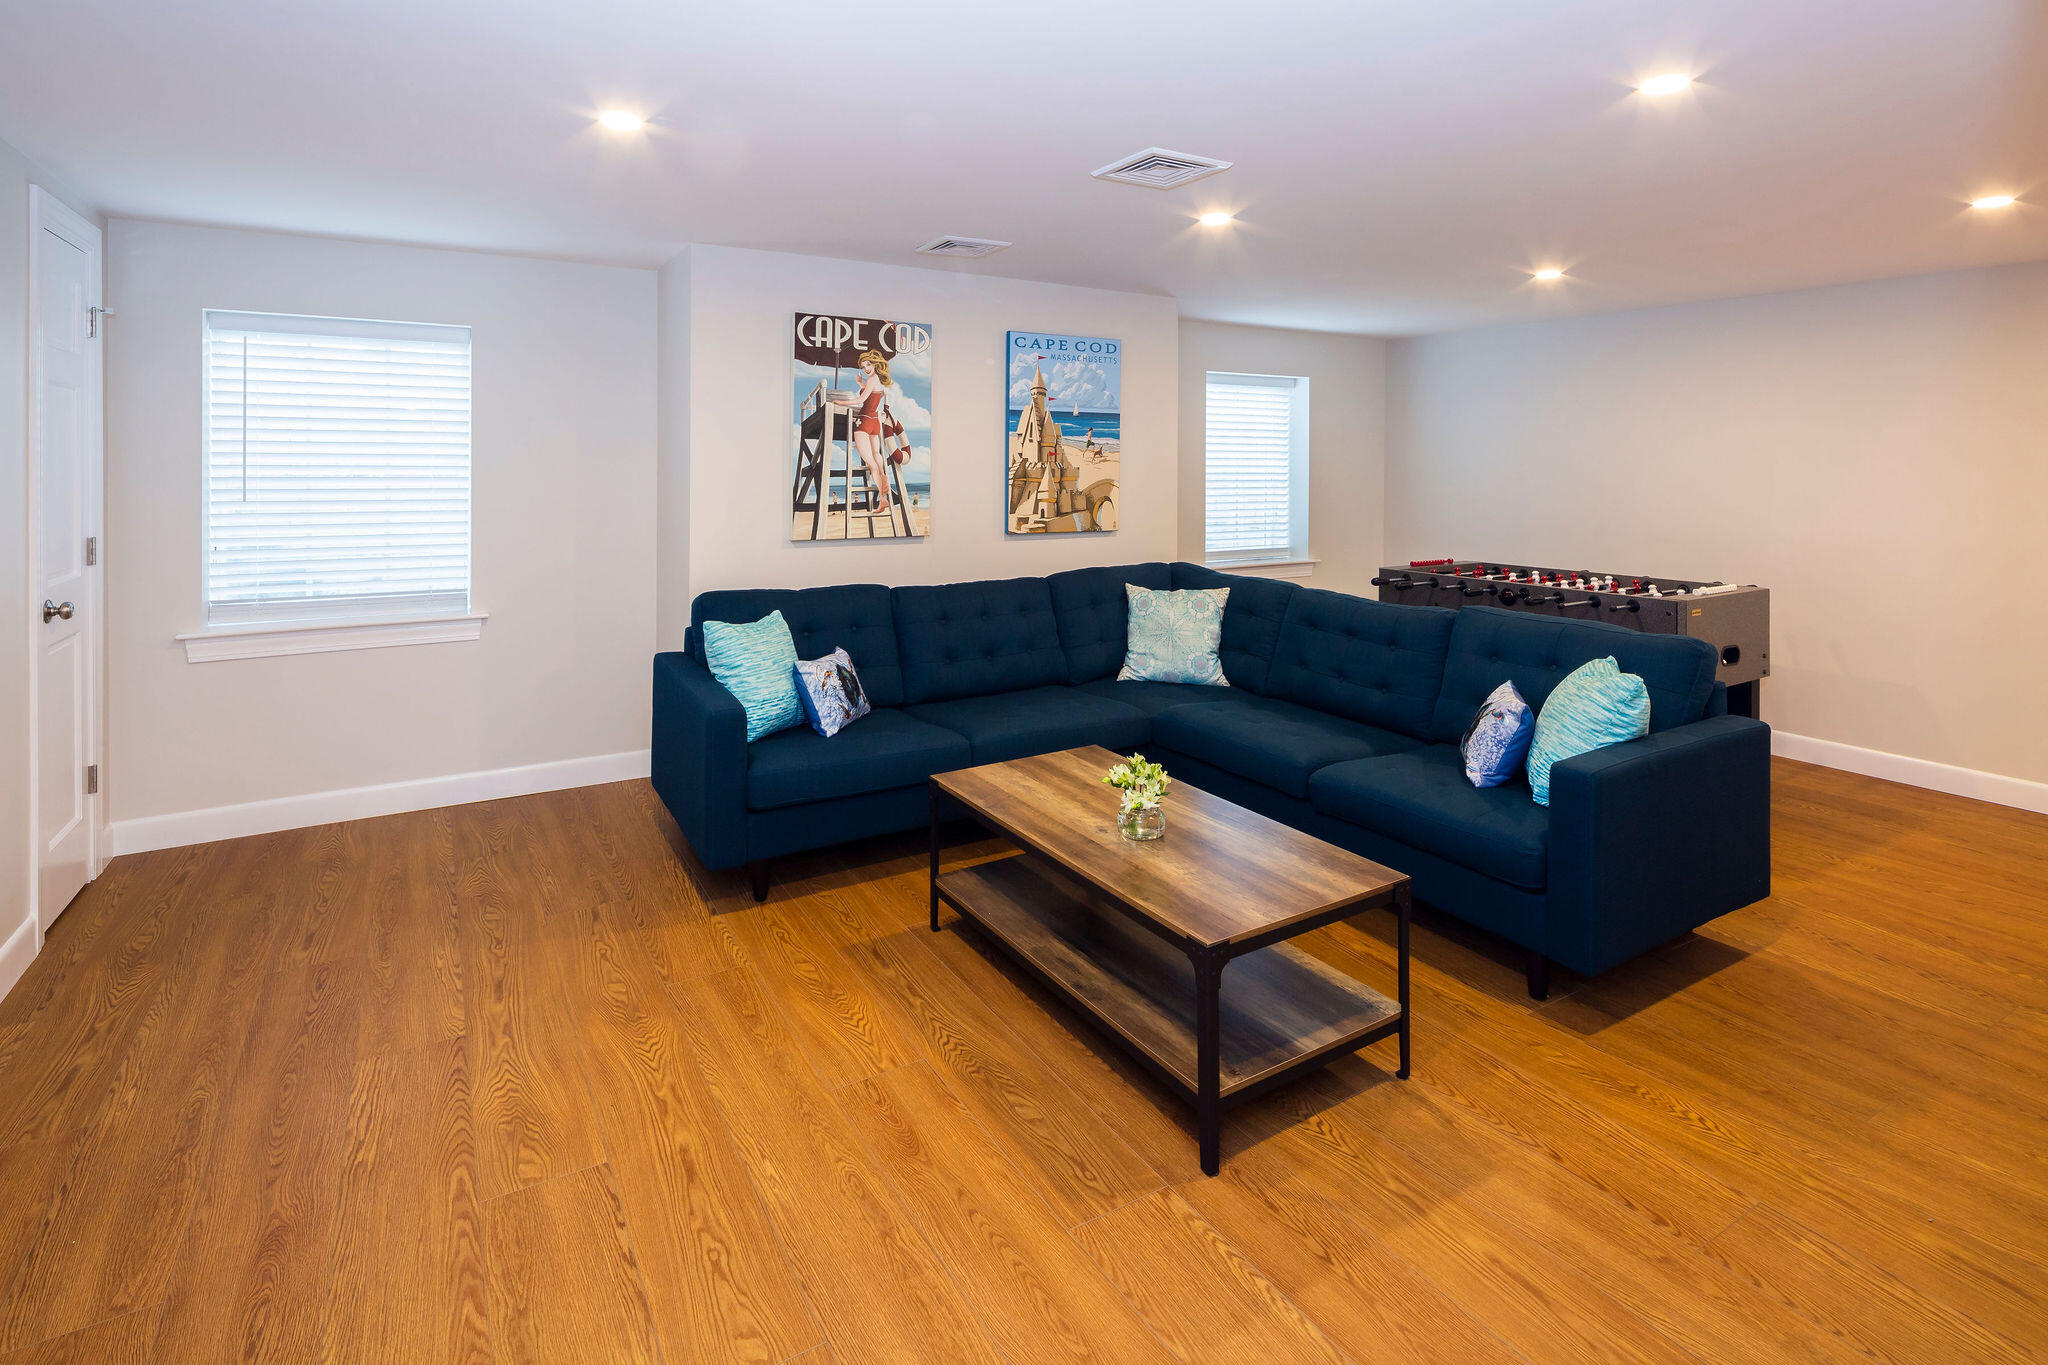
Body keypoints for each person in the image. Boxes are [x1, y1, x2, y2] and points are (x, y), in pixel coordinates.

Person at [849, 350, 893, 515]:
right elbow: (870, 397)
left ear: (875, 364)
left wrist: (839, 402)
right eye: (863, 366)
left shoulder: (871, 380)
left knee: (871, 464)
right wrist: (861, 385)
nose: (866, 368)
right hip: (875, 421)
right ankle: (883, 477)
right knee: (876, 455)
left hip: (864, 420)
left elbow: (861, 400)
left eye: (868, 364)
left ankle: (882, 497)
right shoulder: (877, 381)